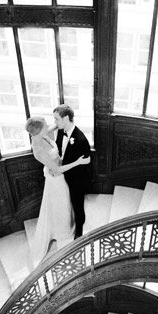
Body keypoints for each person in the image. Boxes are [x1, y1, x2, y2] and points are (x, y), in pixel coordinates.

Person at [25, 116, 74, 265]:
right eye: (45, 126)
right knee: (62, 204)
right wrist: (76, 163)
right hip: (56, 178)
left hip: (58, 173)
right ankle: (63, 232)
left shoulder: (42, 135)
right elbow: (57, 170)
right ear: (39, 131)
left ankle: (66, 224)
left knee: (64, 202)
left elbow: (52, 128)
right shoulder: (38, 150)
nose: (48, 127)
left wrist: (62, 121)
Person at [53, 104, 91, 238]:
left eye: (57, 119)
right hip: (61, 174)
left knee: (77, 204)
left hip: (76, 179)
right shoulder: (59, 131)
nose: (55, 123)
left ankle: (79, 227)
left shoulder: (81, 140)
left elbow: (86, 164)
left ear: (66, 118)